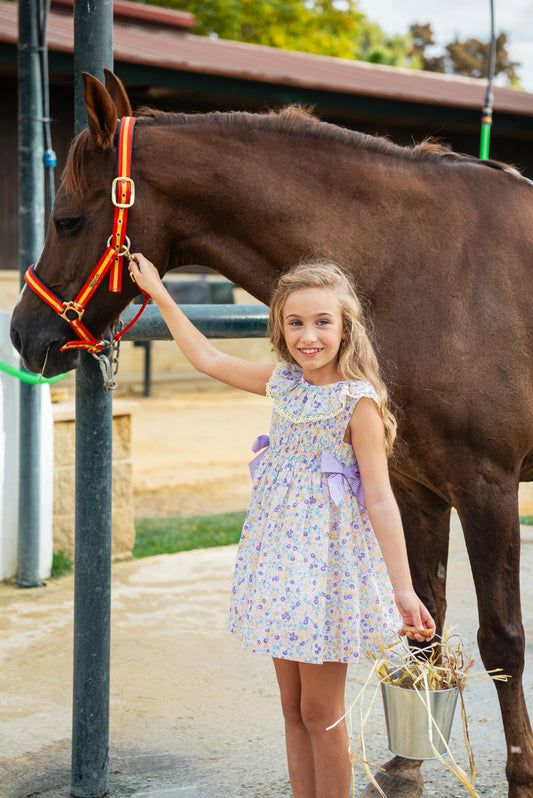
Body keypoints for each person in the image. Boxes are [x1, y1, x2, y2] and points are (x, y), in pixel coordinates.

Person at [128, 254, 435, 798]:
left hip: (326, 574)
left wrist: (403, 591)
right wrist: (159, 293)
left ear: (346, 329)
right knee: (293, 709)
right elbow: (207, 357)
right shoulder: (282, 383)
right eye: (295, 323)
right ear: (280, 328)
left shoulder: (357, 403)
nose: (307, 336)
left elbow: (381, 499)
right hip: (278, 563)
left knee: (321, 711)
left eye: (322, 322)